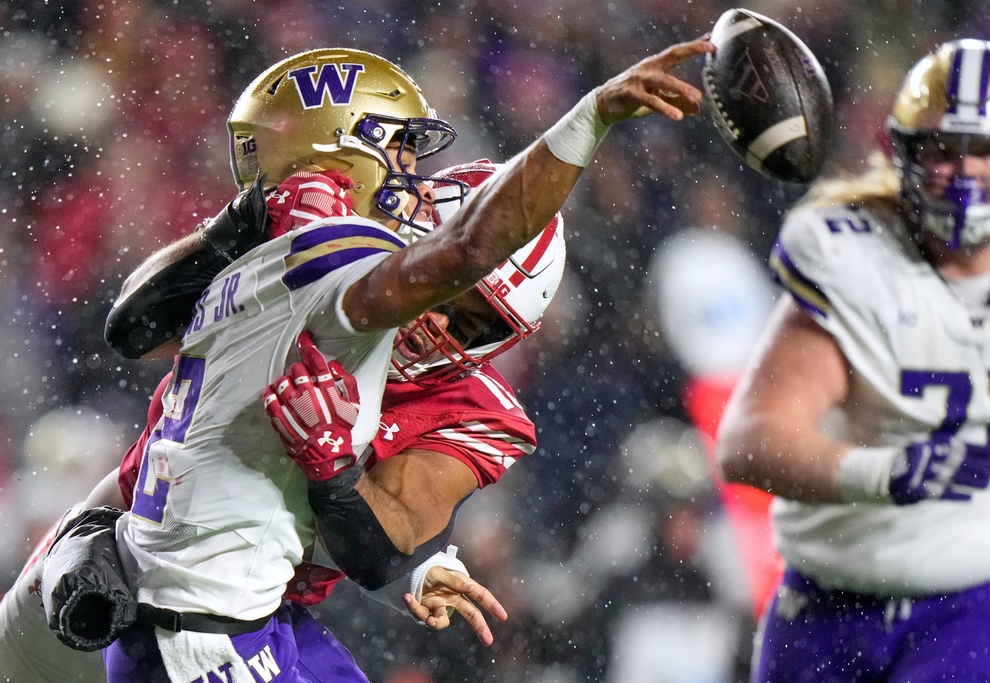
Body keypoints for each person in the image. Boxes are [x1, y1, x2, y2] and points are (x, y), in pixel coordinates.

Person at [90, 38, 710, 681]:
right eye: (444, 296)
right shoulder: (332, 279)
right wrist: (242, 224)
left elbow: (385, 545)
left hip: (266, 604)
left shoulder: (477, 411)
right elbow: (137, 335)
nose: (438, 326)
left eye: (473, 321)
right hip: (185, 592)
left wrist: (341, 479)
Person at [714, 38, 990, 682]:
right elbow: (749, 444)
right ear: (904, 153)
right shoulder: (853, 254)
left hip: (968, 614)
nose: (965, 172)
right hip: (828, 609)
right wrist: (887, 473)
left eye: (984, 150)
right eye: (943, 149)